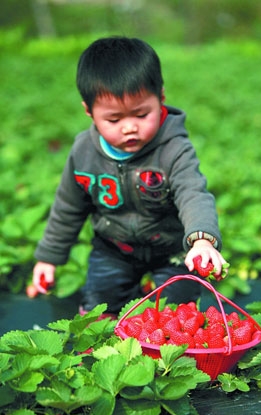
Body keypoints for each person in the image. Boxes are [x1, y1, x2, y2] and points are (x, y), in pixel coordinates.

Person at [32, 36, 228, 318]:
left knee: (179, 312)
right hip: (114, 249)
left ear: (160, 98)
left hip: (170, 249)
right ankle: (102, 346)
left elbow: (193, 194)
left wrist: (201, 241)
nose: (129, 128)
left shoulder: (174, 149)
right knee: (100, 308)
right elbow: (68, 207)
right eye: (114, 120)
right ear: (89, 112)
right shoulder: (83, 152)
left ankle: (168, 348)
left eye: (141, 114)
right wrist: (48, 259)